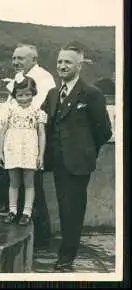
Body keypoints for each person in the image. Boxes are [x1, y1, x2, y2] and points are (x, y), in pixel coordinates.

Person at [41, 45, 112, 272]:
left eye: (68, 62)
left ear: (79, 66)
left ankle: (66, 257)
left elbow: (103, 131)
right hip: (57, 162)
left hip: (78, 163)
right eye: (60, 62)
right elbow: (46, 123)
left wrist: (84, 150)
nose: (62, 66)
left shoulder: (92, 94)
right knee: (63, 207)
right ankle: (63, 251)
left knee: (73, 210)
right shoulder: (52, 94)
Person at [0, 44, 55, 248]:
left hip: (31, 141)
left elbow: (31, 106)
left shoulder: (44, 77)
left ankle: (41, 240)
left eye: (20, 58)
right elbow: (8, 107)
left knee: (34, 189)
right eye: (14, 58)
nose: (15, 62)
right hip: (15, 143)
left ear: (34, 59)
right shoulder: (19, 78)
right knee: (16, 185)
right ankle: (16, 218)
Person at [0, 77, 47, 226]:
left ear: (33, 93)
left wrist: (41, 155)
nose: (24, 98)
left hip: (30, 150)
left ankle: (26, 212)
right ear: (15, 95)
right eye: (20, 95)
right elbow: (3, 131)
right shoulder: (10, 110)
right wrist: (0, 152)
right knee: (13, 182)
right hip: (12, 149)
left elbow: (41, 134)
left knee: (29, 182)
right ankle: (12, 211)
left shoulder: (38, 111)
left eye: (27, 94)